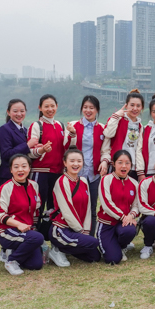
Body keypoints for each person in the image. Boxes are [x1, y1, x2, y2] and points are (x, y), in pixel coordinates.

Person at [47, 149, 102, 266]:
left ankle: (66, 249)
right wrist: (80, 231)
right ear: (65, 163)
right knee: (93, 242)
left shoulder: (83, 181)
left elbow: (88, 207)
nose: (76, 164)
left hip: (77, 230)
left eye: (79, 161)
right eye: (72, 161)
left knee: (95, 257)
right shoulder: (62, 181)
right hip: (62, 228)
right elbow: (67, 210)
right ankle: (57, 250)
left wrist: (86, 231)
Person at [0, 154, 44, 275]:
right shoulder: (5, 188)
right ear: (11, 170)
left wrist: (34, 228)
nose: (20, 170)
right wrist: (18, 224)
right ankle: (11, 261)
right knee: (38, 238)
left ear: (29, 168)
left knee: (36, 265)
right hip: (7, 231)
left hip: (27, 232)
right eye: (16, 167)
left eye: (24, 166)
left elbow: (36, 209)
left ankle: (12, 252)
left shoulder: (34, 185)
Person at [27, 94, 73, 214]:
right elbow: (29, 152)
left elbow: (66, 147)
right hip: (40, 172)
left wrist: (72, 134)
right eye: (46, 106)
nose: (50, 109)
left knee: (55, 208)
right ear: (40, 108)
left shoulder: (61, 126)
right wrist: (42, 150)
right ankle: (34, 231)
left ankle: (50, 232)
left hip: (57, 172)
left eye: (52, 106)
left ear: (57, 107)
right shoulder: (37, 126)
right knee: (37, 206)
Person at [68, 95, 105, 237]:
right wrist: (71, 134)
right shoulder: (73, 126)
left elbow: (105, 150)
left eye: (91, 108)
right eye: (85, 107)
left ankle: (90, 239)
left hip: (94, 175)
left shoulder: (102, 128)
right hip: (76, 175)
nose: (88, 110)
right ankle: (74, 237)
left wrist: (104, 161)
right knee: (75, 206)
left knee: (92, 208)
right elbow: (67, 148)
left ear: (97, 110)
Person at [96, 150, 140, 265]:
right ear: (114, 164)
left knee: (130, 230)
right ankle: (111, 246)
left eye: (127, 163)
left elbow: (136, 205)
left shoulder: (134, 183)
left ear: (131, 165)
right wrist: (123, 216)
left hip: (123, 224)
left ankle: (121, 246)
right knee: (113, 259)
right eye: (120, 162)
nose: (124, 166)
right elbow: (106, 204)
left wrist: (131, 215)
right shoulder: (106, 179)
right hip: (107, 224)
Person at [101, 90, 145, 181]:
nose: (135, 108)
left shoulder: (140, 126)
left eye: (138, 106)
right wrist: (116, 116)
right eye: (132, 105)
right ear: (126, 105)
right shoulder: (118, 119)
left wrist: (140, 170)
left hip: (132, 168)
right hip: (116, 165)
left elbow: (139, 150)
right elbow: (108, 134)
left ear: (142, 108)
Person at [0, 99, 38, 192]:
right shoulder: (4, 130)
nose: (19, 114)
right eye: (15, 111)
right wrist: (27, 145)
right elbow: (6, 154)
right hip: (8, 176)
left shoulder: (26, 130)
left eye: (22, 111)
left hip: (23, 176)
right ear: (8, 112)